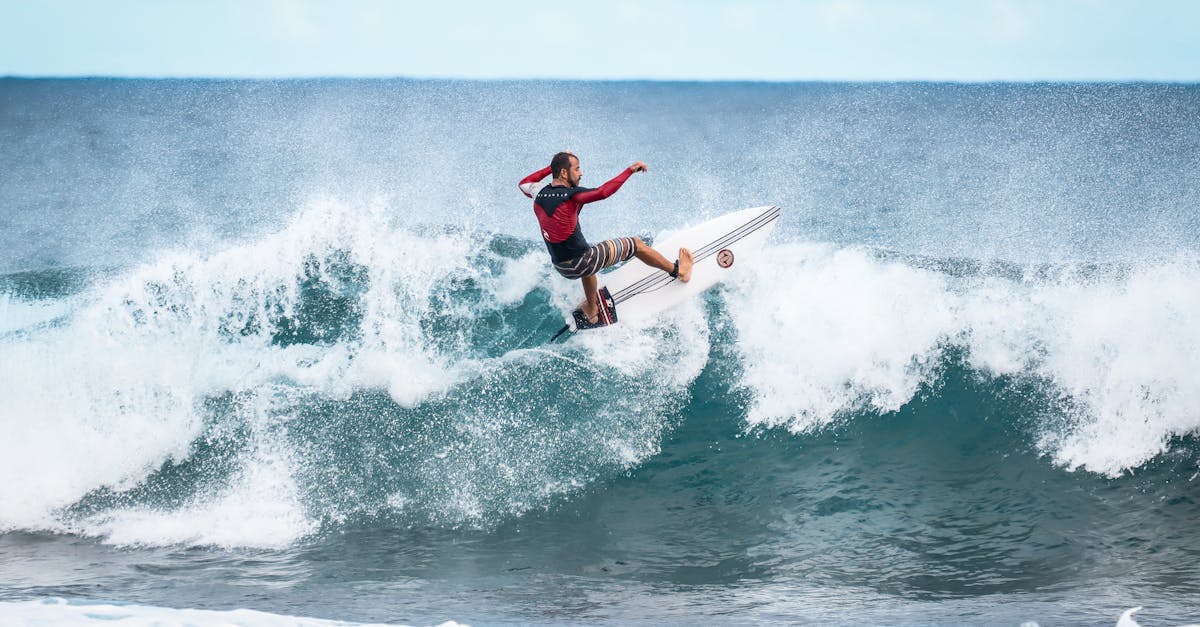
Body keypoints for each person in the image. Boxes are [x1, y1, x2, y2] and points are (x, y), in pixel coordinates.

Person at [519, 152, 693, 324]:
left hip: (562, 268)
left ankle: (592, 311)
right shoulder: (571, 196)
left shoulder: (538, 192)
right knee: (636, 244)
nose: (581, 173)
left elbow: (523, 183)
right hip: (582, 263)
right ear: (564, 173)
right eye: (577, 169)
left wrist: (552, 168)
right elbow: (602, 192)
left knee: (588, 255)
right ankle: (679, 272)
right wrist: (629, 171)